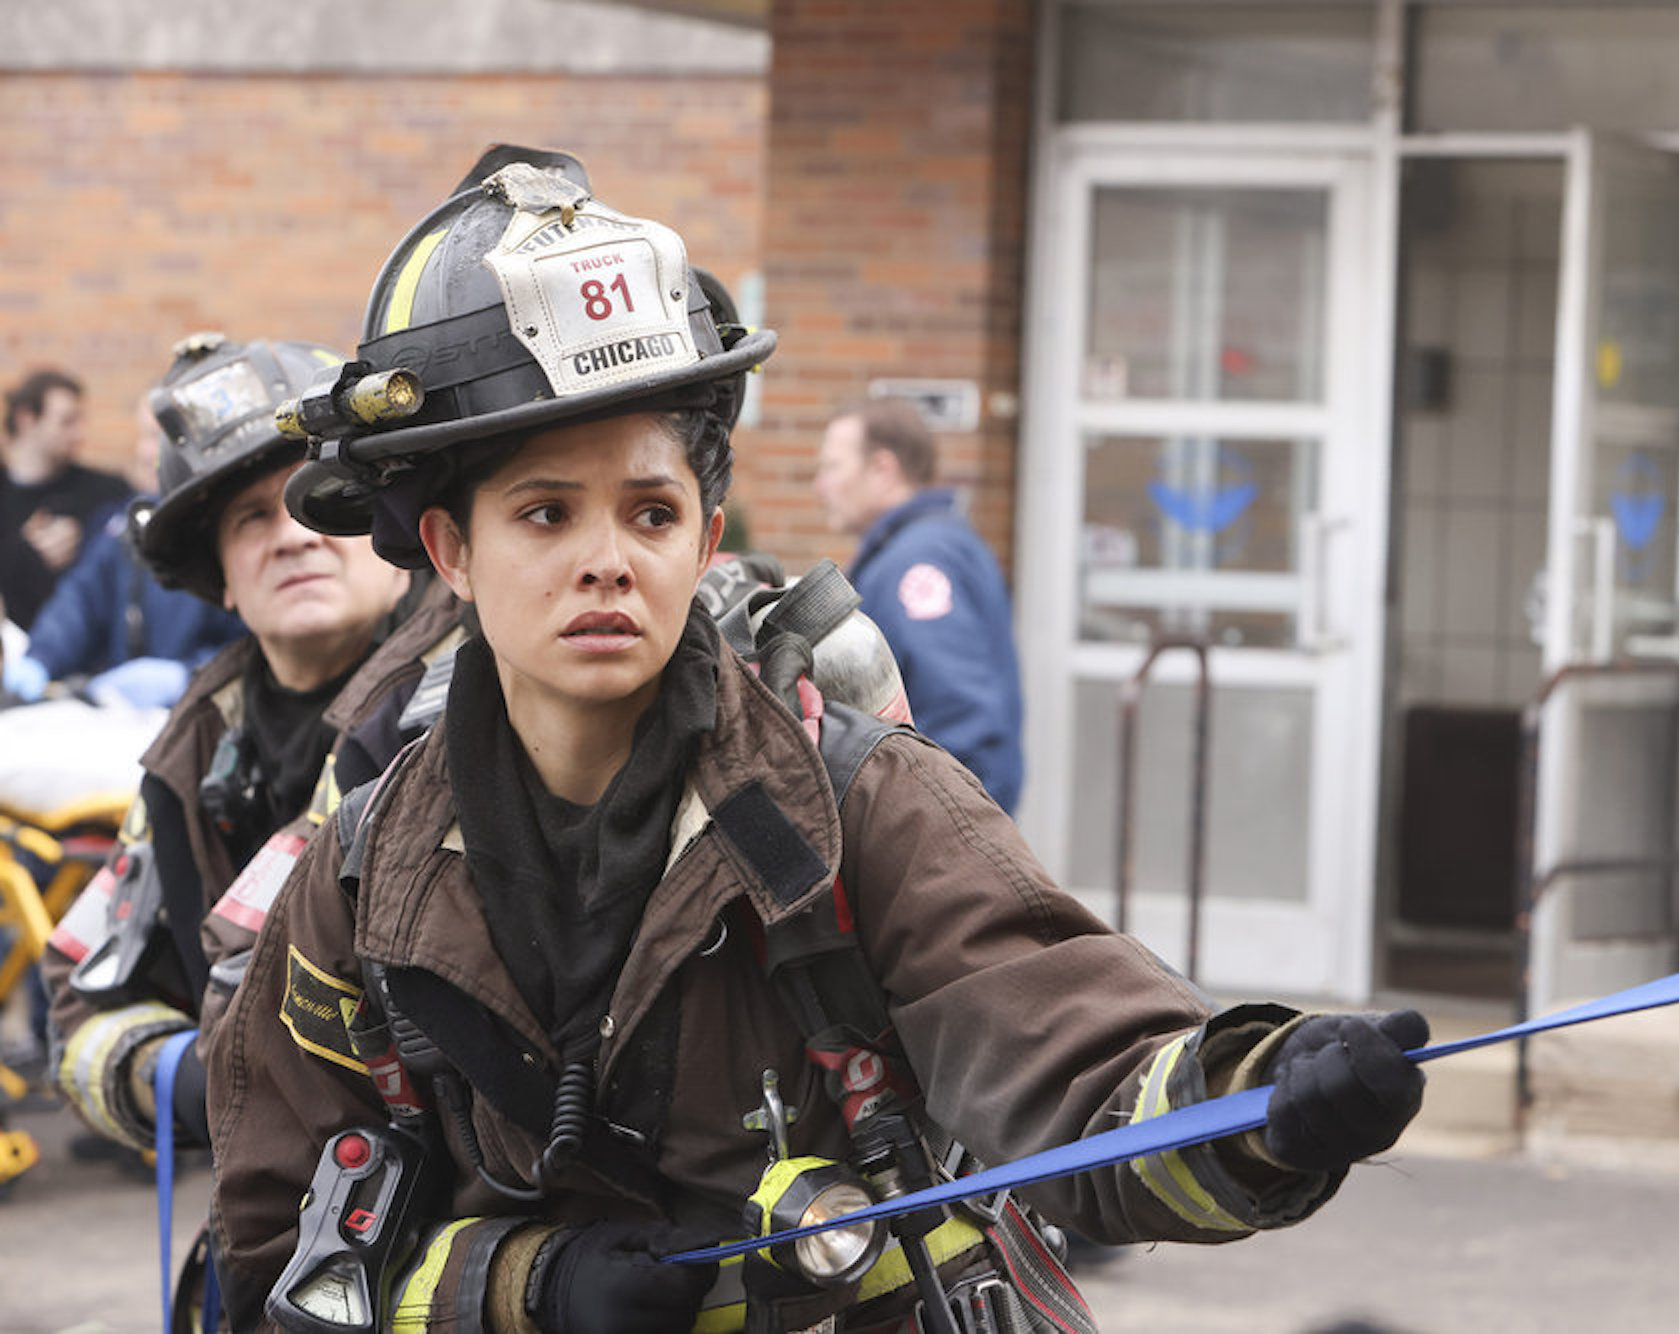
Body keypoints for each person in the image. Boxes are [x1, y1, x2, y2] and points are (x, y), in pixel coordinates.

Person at [209, 153, 1428, 1334]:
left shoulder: (856, 802)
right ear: (449, 552)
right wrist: (524, 1282)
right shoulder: (368, 868)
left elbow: (1082, 1077)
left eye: (651, 511)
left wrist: (1261, 1100)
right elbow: (275, 1258)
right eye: (543, 511)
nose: (607, 558)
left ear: (707, 538)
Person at [42, 332, 463, 1161]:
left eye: (321, 503)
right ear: (222, 581)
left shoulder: (471, 697)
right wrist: (170, 1075)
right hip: (276, 1215)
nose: (294, 535)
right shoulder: (193, 747)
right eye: (251, 518)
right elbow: (80, 994)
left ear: (397, 541)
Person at [815, 398, 1024, 813]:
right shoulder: (920, 547)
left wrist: (948, 828)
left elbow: (962, 718)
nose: (820, 485)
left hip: (942, 830)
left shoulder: (918, 562)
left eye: (833, 467)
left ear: (882, 469)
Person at [4, 391, 245, 707]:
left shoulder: (228, 527)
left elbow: (258, 644)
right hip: (127, 722)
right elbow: (80, 600)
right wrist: (41, 657)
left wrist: (188, 675)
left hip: (205, 715)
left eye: (158, 437)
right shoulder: (126, 521)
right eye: (144, 437)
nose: (145, 453)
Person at [1, 368, 132, 628]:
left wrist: (85, 538)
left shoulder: (107, 491)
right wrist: (24, 549)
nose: (78, 434)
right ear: (27, 419)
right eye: (66, 422)